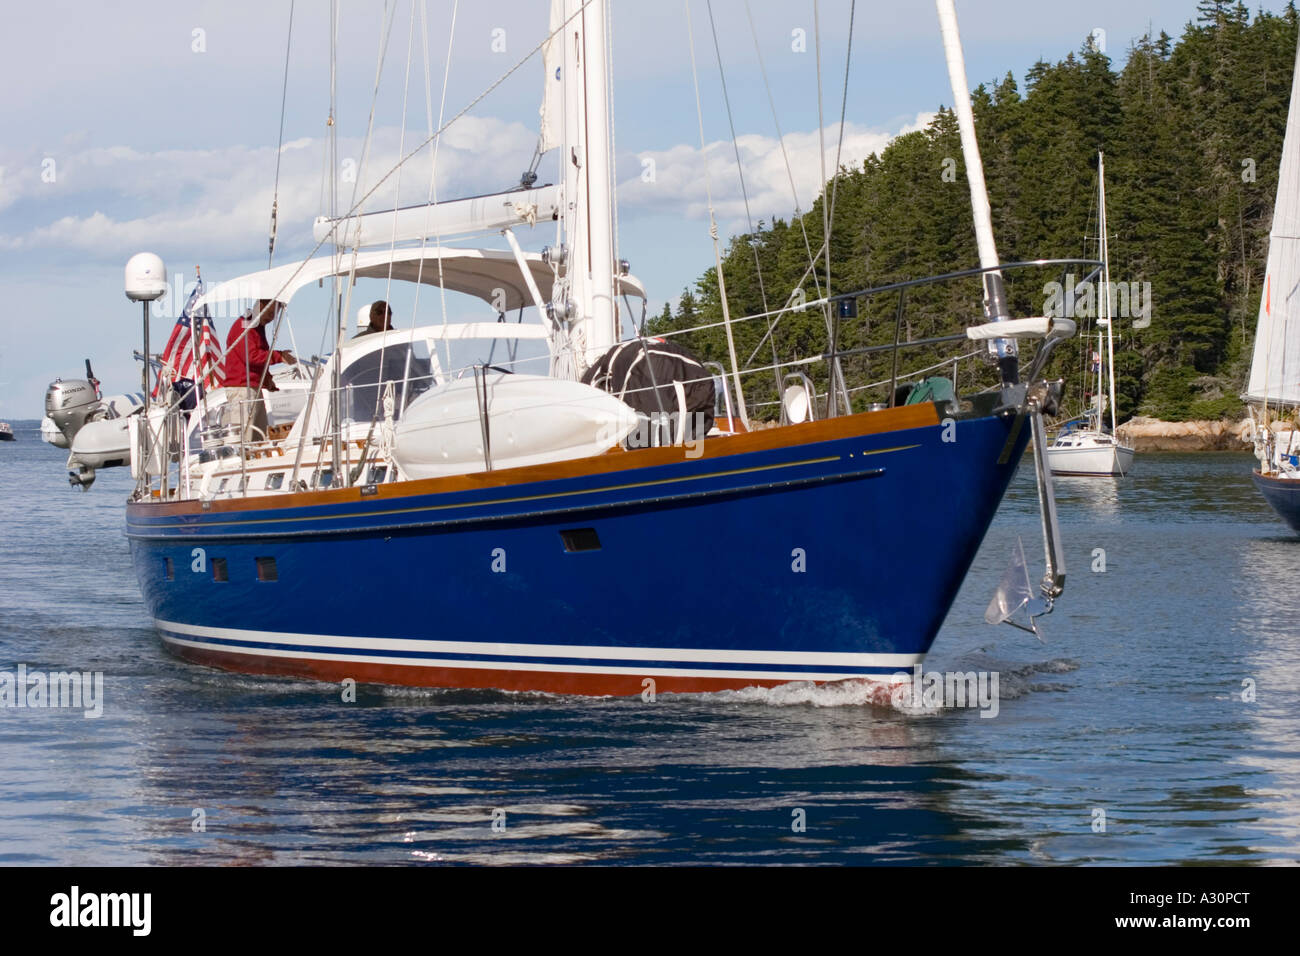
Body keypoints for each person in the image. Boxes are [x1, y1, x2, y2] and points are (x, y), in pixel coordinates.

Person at [219, 298, 296, 444]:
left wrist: (267, 379)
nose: (271, 317)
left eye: (275, 314)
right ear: (260, 306)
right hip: (242, 389)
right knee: (245, 439)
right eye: (270, 312)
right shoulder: (245, 325)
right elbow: (251, 356)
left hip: (252, 388)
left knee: (259, 438)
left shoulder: (256, 327)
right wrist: (279, 356)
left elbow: (256, 357)